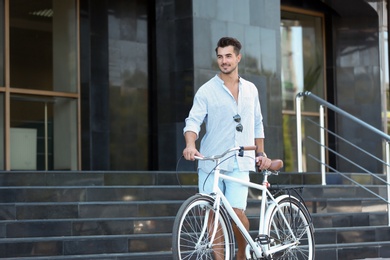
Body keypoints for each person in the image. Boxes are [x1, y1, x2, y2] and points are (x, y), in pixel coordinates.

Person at [182, 37, 272, 260]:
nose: (224, 61)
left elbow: (258, 123)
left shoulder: (251, 90)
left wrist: (260, 153)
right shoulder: (206, 91)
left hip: (240, 161)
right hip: (211, 161)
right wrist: (190, 145)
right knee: (212, 216)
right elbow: (193, 122)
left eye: (228, 56)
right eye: (220, 57)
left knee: (236, 214)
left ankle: (243, 252)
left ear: (238, 57)